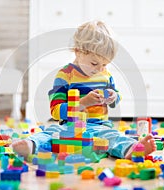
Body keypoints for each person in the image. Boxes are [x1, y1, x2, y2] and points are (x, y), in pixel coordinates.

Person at [12, 20, 156, 159]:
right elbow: (56, 111)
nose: (99, 69)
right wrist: (82, 103)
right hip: (70, 127)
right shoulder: (65, 75)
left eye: (105, 64)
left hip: (100, 127)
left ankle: (131, 150)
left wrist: (113, 96)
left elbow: (115, 98)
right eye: (94, 63)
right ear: (78, 51)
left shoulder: (105, 75)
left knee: (114, 136)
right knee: (51, 133)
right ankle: (31, 145)